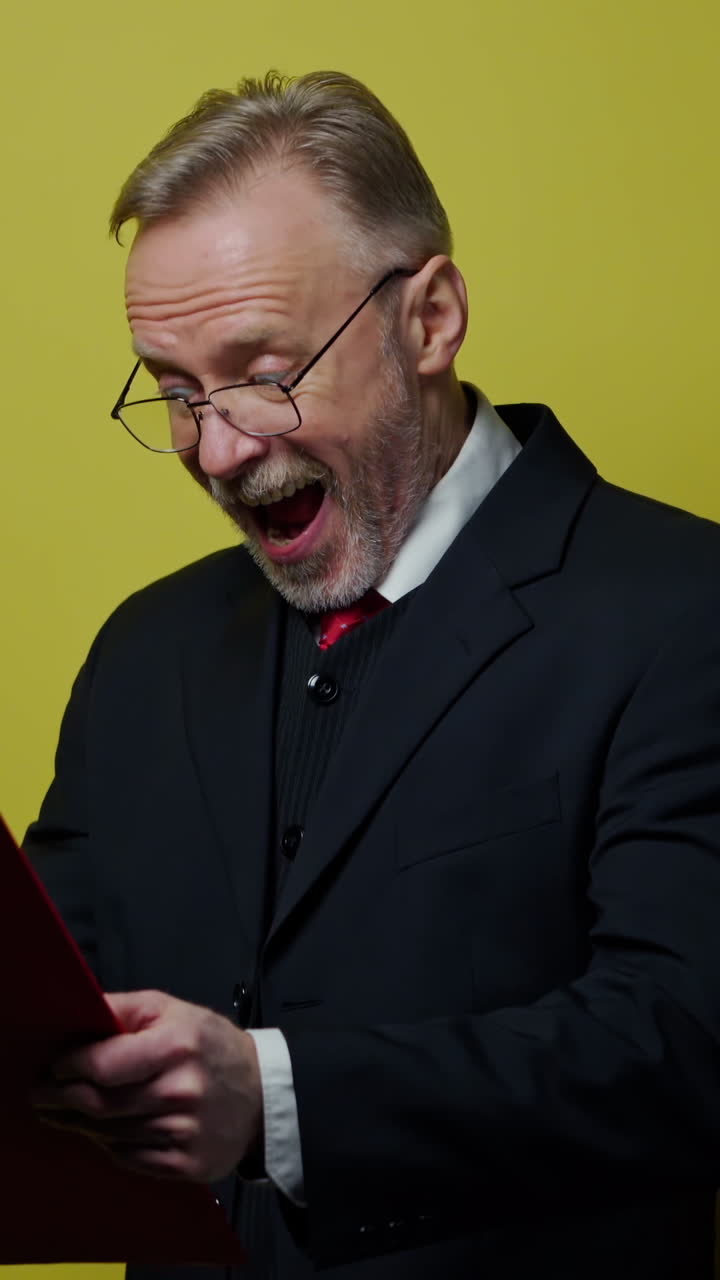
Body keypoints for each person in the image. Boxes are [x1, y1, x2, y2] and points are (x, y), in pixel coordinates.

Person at [25, 70, 720, 1280]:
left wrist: (278, 1099)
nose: (219, 446)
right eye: (176, 390)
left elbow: (688, 1042)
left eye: (261, 367)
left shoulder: (684, 609)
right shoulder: (145, 651)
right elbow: (44, 993)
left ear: (431, 317)